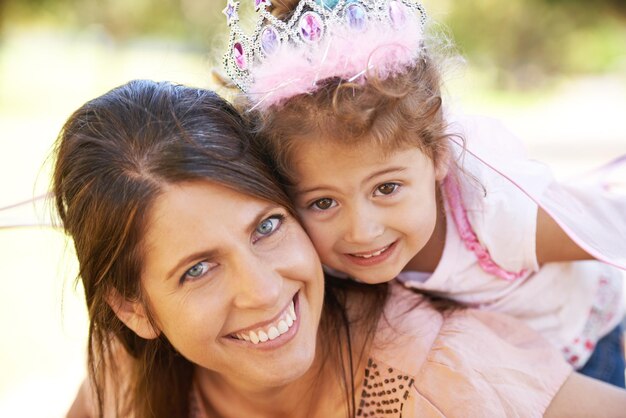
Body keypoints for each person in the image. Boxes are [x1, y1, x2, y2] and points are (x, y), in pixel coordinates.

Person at [56, 80, 626, 417]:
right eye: (198, 269)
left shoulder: (447, 375)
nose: (263, 292)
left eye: (266, 227)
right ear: (133, 309)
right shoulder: (125, 378)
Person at [221, 0, 626, 386]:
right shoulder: (310, 247)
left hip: (589, 350)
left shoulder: (498, 218)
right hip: (504, 361)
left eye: (387, 188)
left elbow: (616, 225)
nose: (361, 231)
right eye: (323, 202)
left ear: (438, 156)